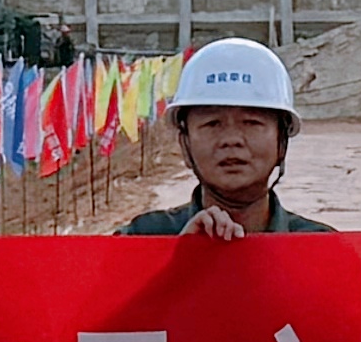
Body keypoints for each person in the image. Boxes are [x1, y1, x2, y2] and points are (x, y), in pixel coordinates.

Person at [126, 41, 303, 234]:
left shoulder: (321, 249)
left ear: (282, 141)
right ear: (185, 145)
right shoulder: (141, 238)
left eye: (251, 122)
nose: (231, 139)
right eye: (212, 123)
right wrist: (179, 256)